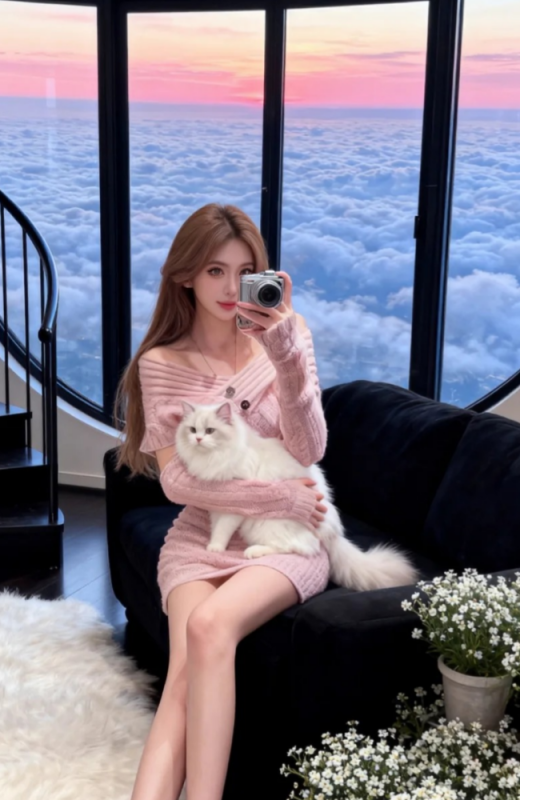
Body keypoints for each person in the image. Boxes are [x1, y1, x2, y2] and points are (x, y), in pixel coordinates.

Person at [115, 203, 331, 800]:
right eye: (214, 270)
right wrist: (278, 494)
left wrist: (285, 355)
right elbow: (178, 484)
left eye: (243, 272)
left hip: (285, 538)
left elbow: (309, 448)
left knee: (210, 627)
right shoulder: (161, 363)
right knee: (183, 674)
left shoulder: (289, 336)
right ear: (185, 275)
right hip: (202, 534)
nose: (231, 288)